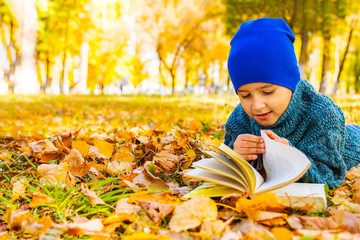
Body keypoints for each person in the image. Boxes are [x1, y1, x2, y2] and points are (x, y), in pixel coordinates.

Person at [224, 17, 360, 189]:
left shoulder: (322, 114)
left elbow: (330, 176)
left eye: (268, 92)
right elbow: (224, 162)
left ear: (291, 85)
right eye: (245, 95)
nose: (257, 105)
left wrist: (292, 157)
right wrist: (236, 154)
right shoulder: (240, 118)